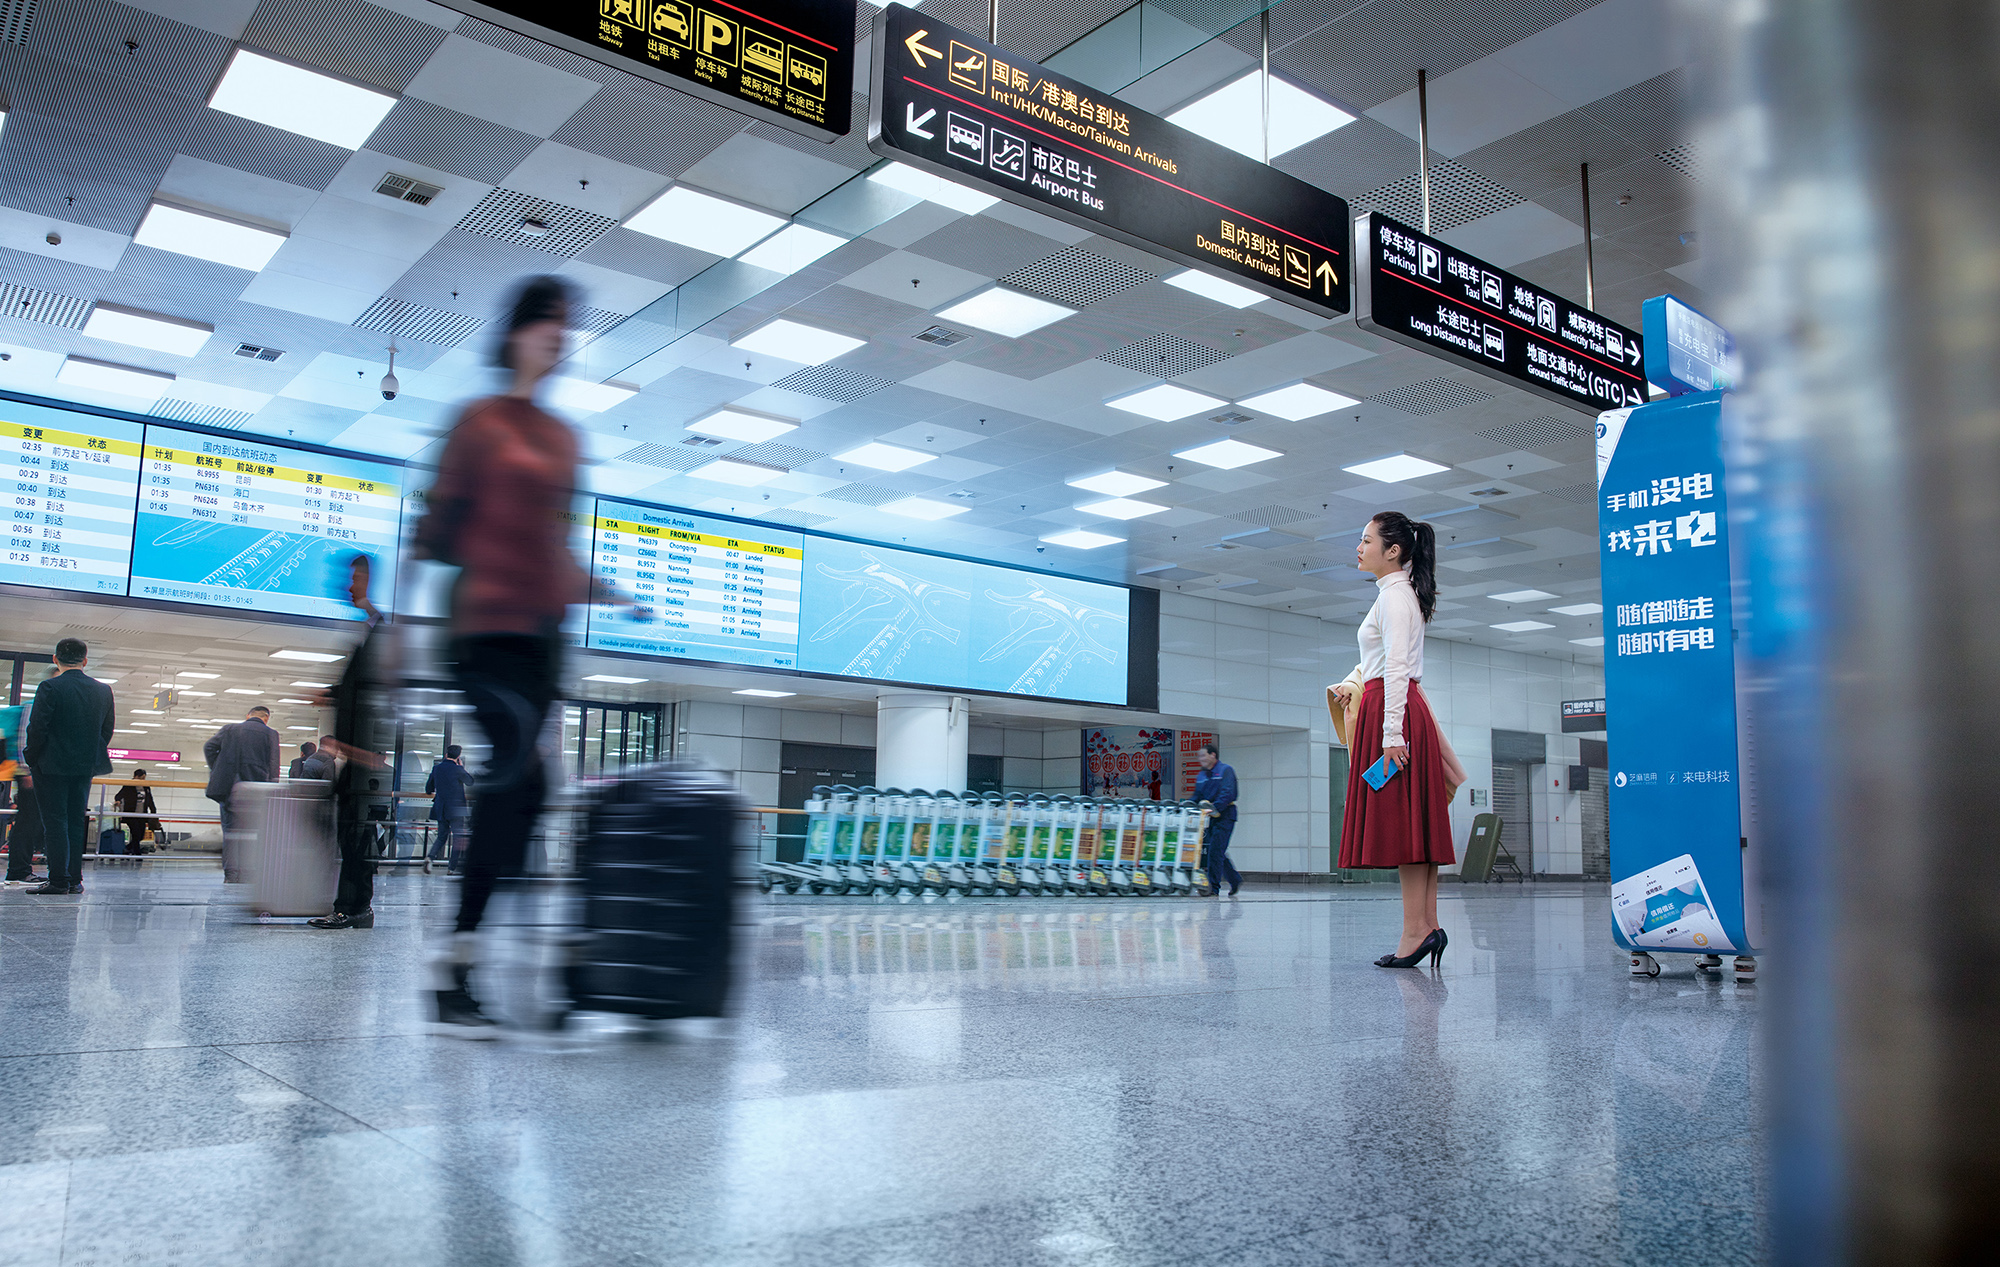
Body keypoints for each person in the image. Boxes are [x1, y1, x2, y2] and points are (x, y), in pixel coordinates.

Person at [413, 276, 638, 1034]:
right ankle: (486, 967)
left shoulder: (566, 438)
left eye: (567, 326)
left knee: (530, 794)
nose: (558, 336)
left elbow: (557, 547)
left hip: (541, 640)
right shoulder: (478, 422)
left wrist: (608, 592)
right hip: (483, 633)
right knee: (515, 774)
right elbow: (437, 529)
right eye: (547, 322)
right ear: (514, 331)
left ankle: (473, 968)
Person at [1333, 512, 1456, 969]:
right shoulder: (1397, 596)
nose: (1359, 548)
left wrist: (1390, 735)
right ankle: (1426, 926)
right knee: (1416, 827)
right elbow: (1384, 662)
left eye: (1366, 541)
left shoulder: (1395, 598)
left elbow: (1398, 668)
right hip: (1398, 710)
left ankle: (1415, 931)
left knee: (1407, 831)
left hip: (1395, 714)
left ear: (1394, 551)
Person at [309, 553, 395, 931]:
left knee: (357, 838)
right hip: (358, 760)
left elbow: (384, 699)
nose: (348, 586)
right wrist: (332, 693)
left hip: (365, 763)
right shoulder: (372, 633)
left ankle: (354, 908)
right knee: (346, 832)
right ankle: (353, 906)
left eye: (356, 578)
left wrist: (356, 751)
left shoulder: (384, 635)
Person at [22, 638, 115, 895]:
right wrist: (87, 754)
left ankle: (58, 879)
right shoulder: (103, 690)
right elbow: (106, 731)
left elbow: (37, 728)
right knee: (76, 821)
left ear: (55, 659)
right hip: (85, 766)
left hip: (50, 766)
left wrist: (32, 757)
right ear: (85, 660)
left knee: (55, 822)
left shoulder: (50, 687)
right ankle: (74, 879)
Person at [203, 705, 280, 883]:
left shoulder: (230, 729)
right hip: (255, 790)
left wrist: (218, 769)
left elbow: (209, 747)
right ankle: (246, 874)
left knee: (230, 833)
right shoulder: (270, 734)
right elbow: (274, 765)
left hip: (229, 789)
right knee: (252, 833)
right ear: (266, 718)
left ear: (248, 716)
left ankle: (231, 875)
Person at [1194, 742, 1242, 897]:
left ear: (1212, 755)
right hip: (1210, 817)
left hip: (1225, 815)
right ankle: (1234, 879)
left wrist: (1215, 807)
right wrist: (1185, 806)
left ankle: (1213, 888)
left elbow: (1228, 793)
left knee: (1215, 850)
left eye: (1203, 755)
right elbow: (1197, 796)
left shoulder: (1225, 770)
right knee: (1217, 850)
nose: (1200, 758)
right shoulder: (1202, 775)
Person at [425, 745, 471, 872]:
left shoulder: (437, 768)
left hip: (441, 808)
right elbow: (470, 781)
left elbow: (428, 789)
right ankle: (451, 868)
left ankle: (430, 857)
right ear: (458, 757)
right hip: (456, 810)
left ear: (446, 755)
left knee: (441, 837)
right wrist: (461, 767)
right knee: (457, 838)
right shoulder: (458, 770)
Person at [113, 769, 161, 852]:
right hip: (131, 814)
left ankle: (127, 849)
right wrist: (118, 801)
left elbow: (149, 800)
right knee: (136, 834)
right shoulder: (129, 785)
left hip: (142, 815)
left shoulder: (146, 786)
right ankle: (137, 854)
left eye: (144, 778)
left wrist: (153, 811)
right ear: (136, 777)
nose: (143, 780)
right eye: (141, 778)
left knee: (141, 835)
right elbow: (119, 795)